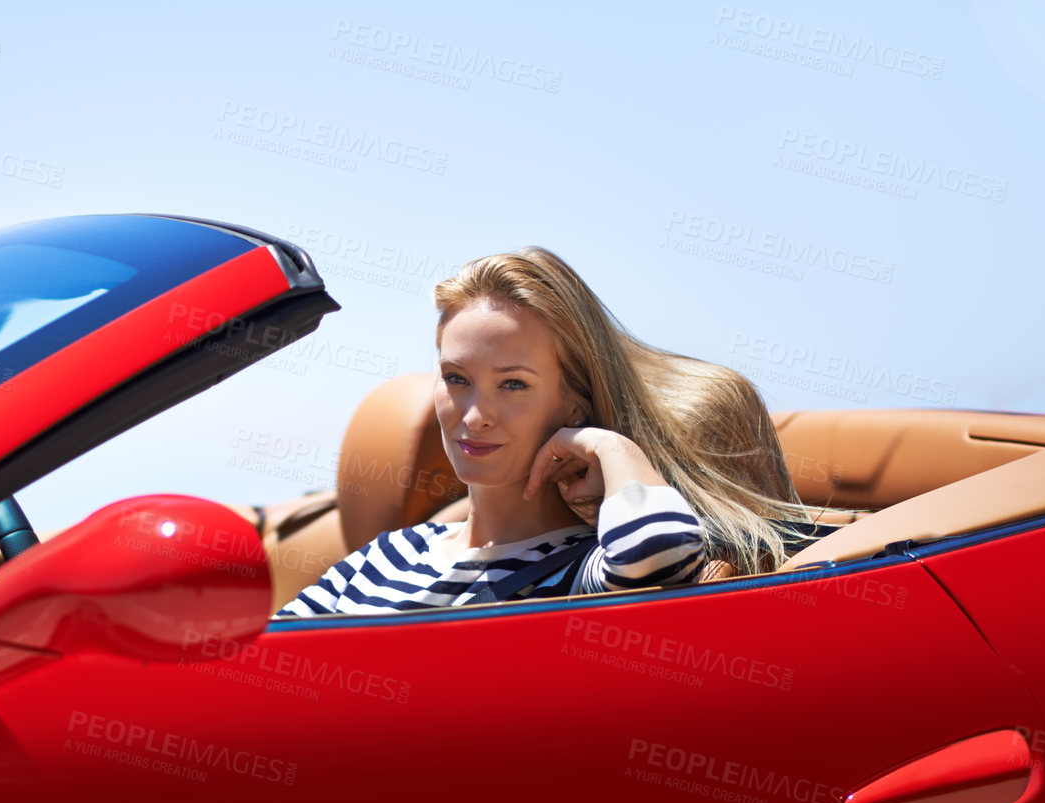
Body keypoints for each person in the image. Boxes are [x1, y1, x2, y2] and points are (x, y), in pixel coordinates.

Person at [274, 248, 811, 618]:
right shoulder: (388, 557)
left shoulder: (583, 568)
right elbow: (271, 664)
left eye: (513, 385)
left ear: (574, 400)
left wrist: (612, 447)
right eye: (456, 378)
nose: (476, 414)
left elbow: (659, 553)